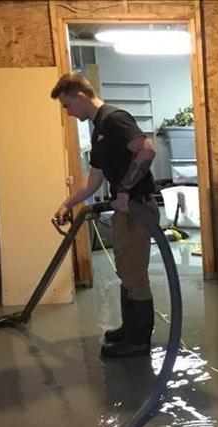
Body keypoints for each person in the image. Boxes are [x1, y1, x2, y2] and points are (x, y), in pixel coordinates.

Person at [51, 72, 159, 358]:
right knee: (126, 269)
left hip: (138, 207)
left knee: (134, 275)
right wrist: (67, 203)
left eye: (67, 106)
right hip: (125, 208)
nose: (68, 113)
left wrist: (124, 188)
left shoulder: (114, 119)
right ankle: (129, 330)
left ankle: (138, 342)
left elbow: (146, 151)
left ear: (81, 97)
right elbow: (94, 180)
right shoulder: (98, 128)